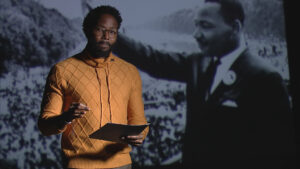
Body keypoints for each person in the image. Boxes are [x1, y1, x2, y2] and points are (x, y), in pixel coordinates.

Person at [114, 0, 294, 168]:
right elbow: (152, 59)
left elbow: (279, 153)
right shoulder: (198, 63)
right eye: (196, 25)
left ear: (235, 28)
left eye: (206, 26)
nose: (196, 34)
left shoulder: (265, 78)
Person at [38, 6, 148, 169]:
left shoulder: (130, 72)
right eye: (100, 30)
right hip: (79, 164)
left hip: (121, 164)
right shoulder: (62, 70)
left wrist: (139, 136)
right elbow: (45, 126)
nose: (106, 37)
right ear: (87, 30)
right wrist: (66, 117)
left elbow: (138, 120)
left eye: (112, 32)